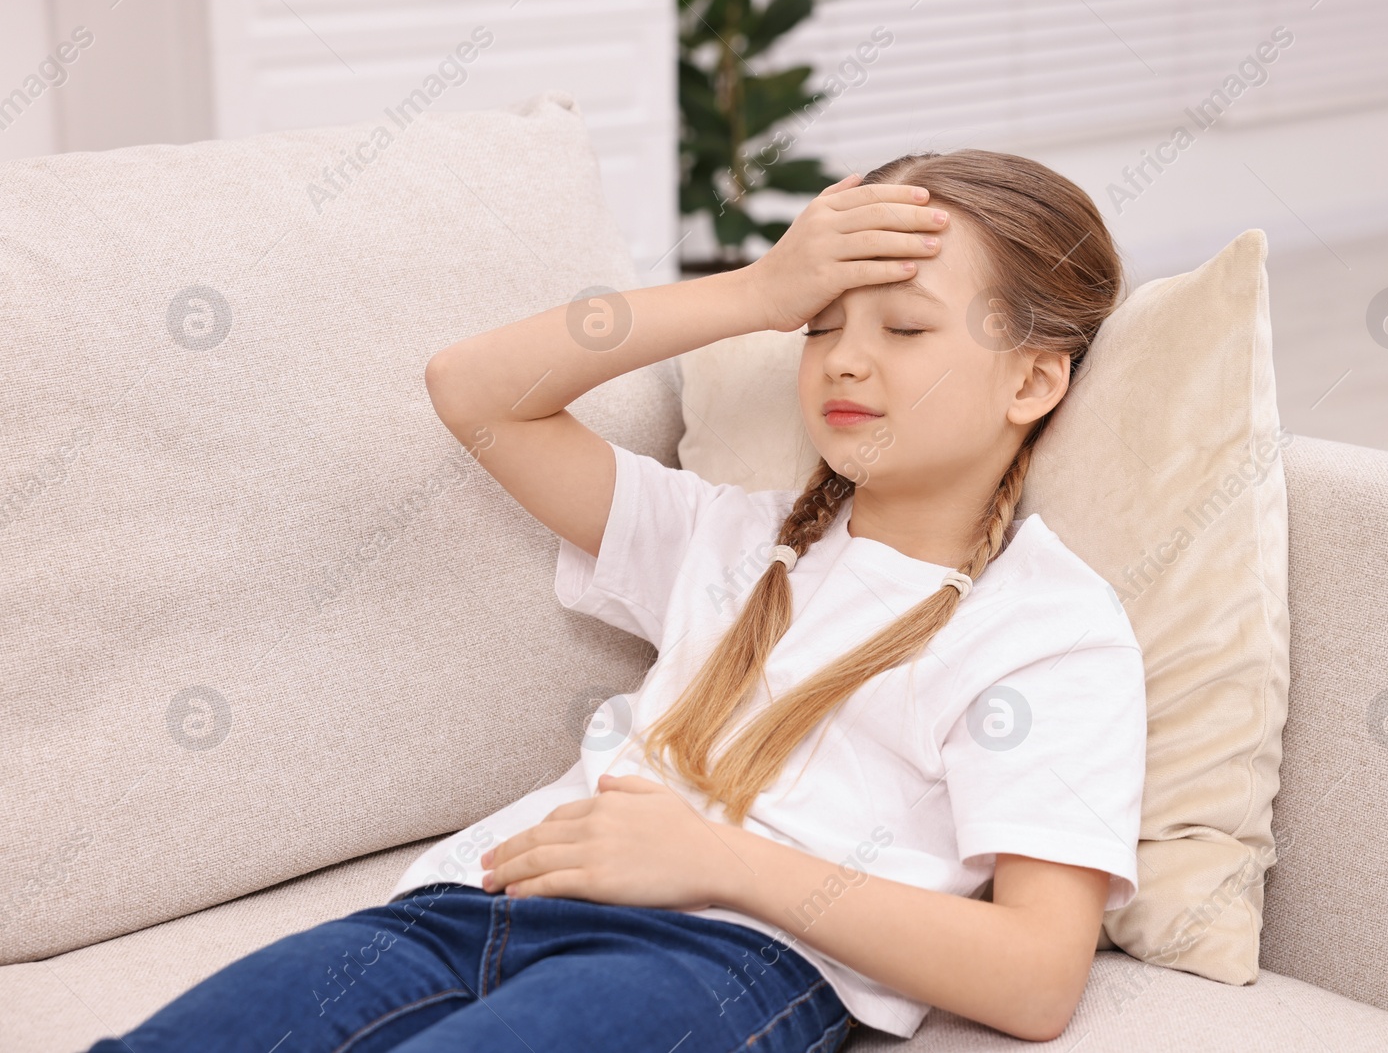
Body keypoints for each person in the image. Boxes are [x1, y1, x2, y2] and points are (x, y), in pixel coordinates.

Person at [84, 149, 1146, 1052]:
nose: (846, 358)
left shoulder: (1047, 627)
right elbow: (475, 388)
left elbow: (1034, 975)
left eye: (905, 330)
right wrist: (754, 294)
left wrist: (720, 862)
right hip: (469, 902)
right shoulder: (733, 537)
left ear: (1031, 380)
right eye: (821, 326)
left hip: (721, 956)